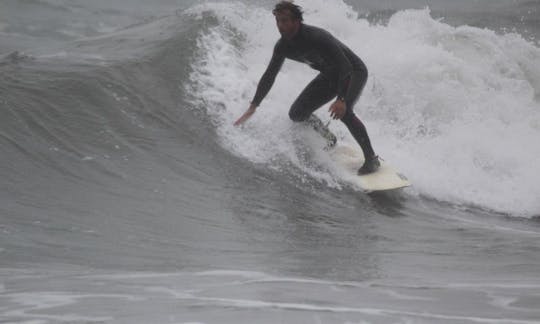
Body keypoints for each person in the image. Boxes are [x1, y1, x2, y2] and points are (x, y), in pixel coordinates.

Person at [234, 1, 380, 174]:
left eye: (285, 21)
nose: (281, 26)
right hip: (330, 75)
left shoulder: (317, 37)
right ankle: (329, 138)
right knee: (297, 113)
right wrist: (254, 106)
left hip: (352, 71)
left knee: (345, 112)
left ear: (297, 21)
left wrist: (341, 99)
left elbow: (345, 67)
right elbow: (269, 75)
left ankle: (371, 159)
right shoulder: (283, 47)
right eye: (278, 21)